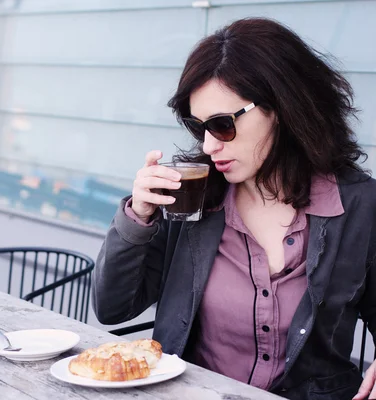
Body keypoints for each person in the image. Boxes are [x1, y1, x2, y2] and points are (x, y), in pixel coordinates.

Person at [92, 17, 376, 400]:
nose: (209, 146)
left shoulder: (360, 205)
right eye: (200, 128)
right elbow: (112, 308)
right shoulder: (191, 197)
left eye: (223, 125)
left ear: (280, 106)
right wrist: (138, 217)